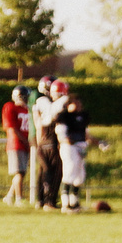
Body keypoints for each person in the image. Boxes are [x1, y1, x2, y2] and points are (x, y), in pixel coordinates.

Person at [32, 77, 68, 211]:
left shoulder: (40, 103)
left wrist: (39, 142)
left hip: (42, 142)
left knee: (44, 172)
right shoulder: (59, 104)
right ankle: (49, 201)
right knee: (54, 173)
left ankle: (40, 200)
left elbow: (38, 124)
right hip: (53, 141)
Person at [54, 95, 90, 213]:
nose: (78, 106)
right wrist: (74, 143)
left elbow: (86, 135)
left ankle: (74, 202)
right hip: (69, 147)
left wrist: (99, 142)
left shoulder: (83, 117)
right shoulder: (64, 117)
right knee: (69, 172)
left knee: (79, 175)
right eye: (76, 104)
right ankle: (65, 203)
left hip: (80, 147)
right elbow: (62, 136)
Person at [1, 85, 30, 206]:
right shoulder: (10, 107)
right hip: (16, 144)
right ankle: (19, 198)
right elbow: (11, 128)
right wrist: (25, 141)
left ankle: (9, 196)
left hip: (25, 144)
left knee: (21, 172)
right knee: (19, 173)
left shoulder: (28, 109)